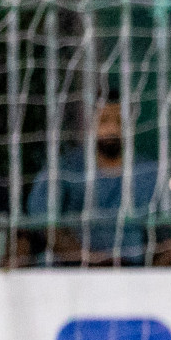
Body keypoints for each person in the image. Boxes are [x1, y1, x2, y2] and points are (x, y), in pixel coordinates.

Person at [26, 96, 160, 266]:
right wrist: (92, 263)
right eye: (103, 120)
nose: (112, 128)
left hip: (132, 277)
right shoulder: (65, 168)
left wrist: (149, 280)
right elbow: (43, 222)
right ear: (89, 125)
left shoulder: (149, 172)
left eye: (120, 121)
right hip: (70, 275)